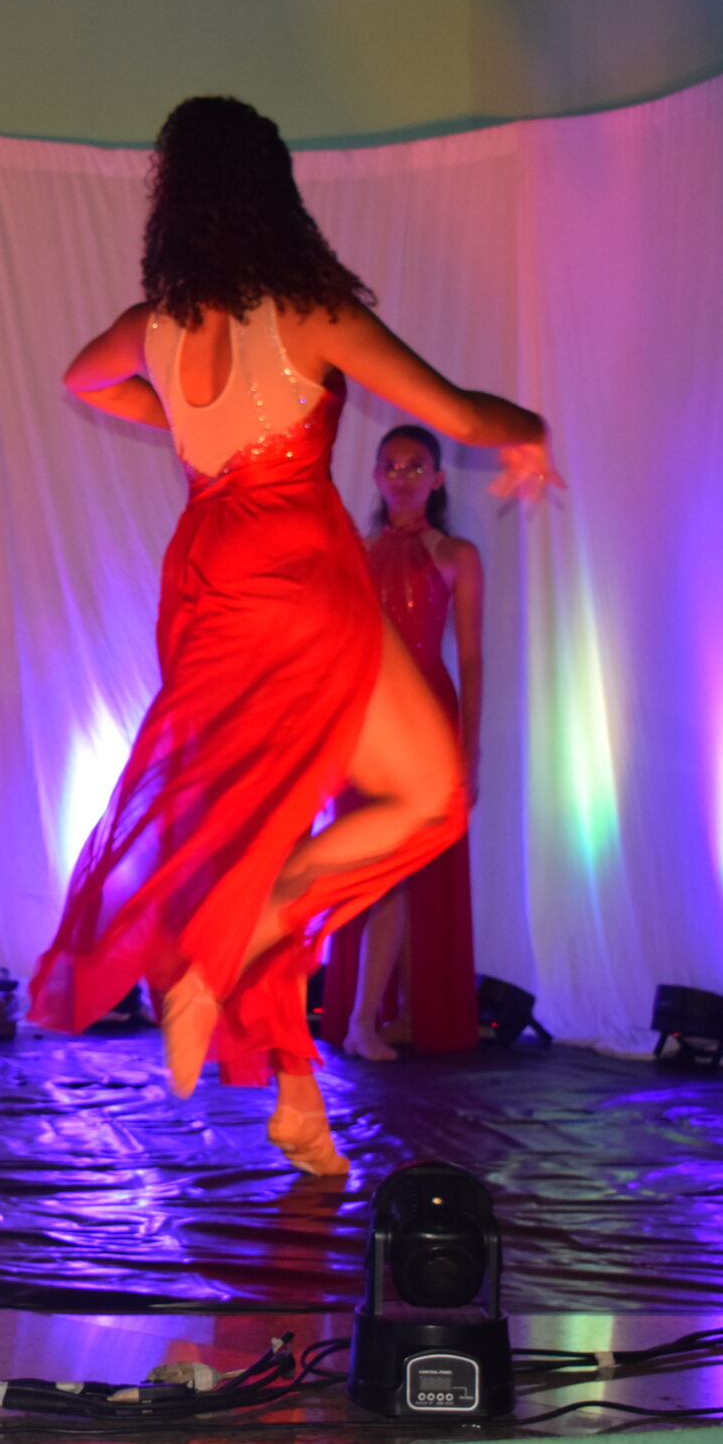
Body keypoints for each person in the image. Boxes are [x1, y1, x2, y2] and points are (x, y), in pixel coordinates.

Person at [26, 96, 557, 1177]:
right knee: (429, 796)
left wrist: (178, 423)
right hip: (297, 571)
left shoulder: (155, 324)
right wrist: (532, 431)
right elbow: (460, 416)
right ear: (271, 192)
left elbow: (83, 377)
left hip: (206, 578)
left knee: (260, 828)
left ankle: (297, 1101)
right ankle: (236, 939)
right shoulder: (310, 311)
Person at [319, 425, 483, 1063]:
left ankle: (387, 1016)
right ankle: (367, 1017)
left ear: (437, 479)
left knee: (405, 870)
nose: (402, 477)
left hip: (429, 722)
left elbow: (471, 658)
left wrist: (470, 750)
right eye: (391, 465)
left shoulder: (457, 554)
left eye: (416, 467)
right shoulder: (354, 554)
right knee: (374, 869)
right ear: (375, 475)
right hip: (367, 722)